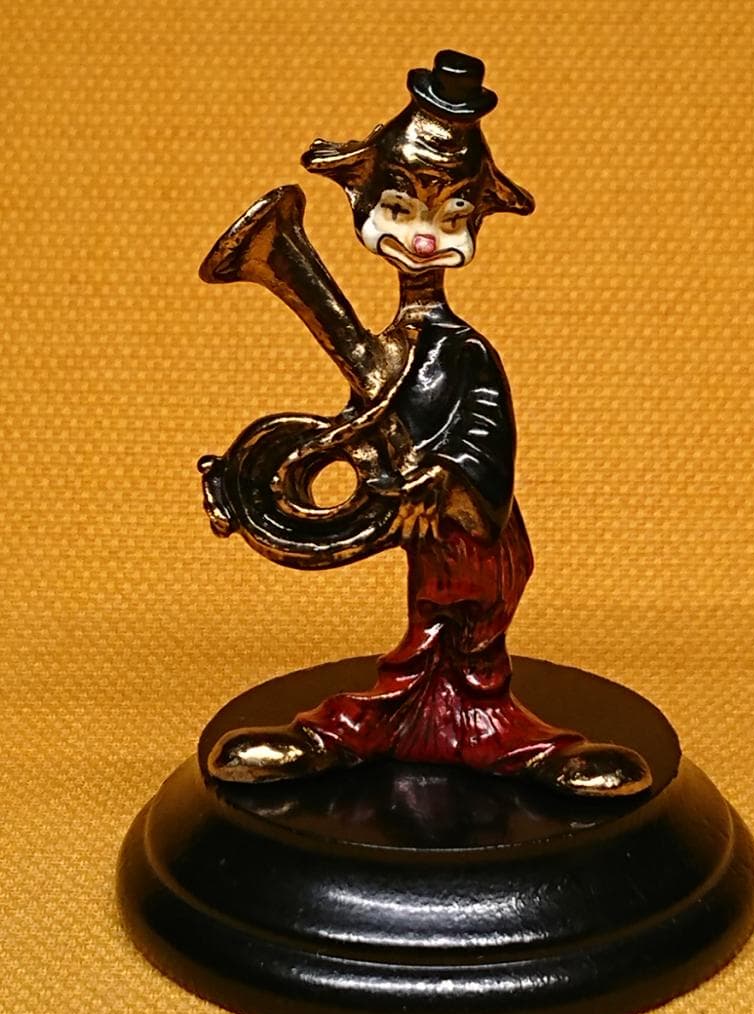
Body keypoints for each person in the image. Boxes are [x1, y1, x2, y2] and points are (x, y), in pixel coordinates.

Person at [209, 51, 651, 797]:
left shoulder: (464, 350)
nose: (423, 237)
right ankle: (392, 723)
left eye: (452, 218)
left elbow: (487, 431)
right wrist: (248, 485)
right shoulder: (392, 348)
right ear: (362, 200)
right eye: (401, 208)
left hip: (471, 538)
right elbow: (357, 429)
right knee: (430, 630)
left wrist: (444, 478)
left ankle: (490, 730)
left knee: (464, 631)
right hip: (427, 537)